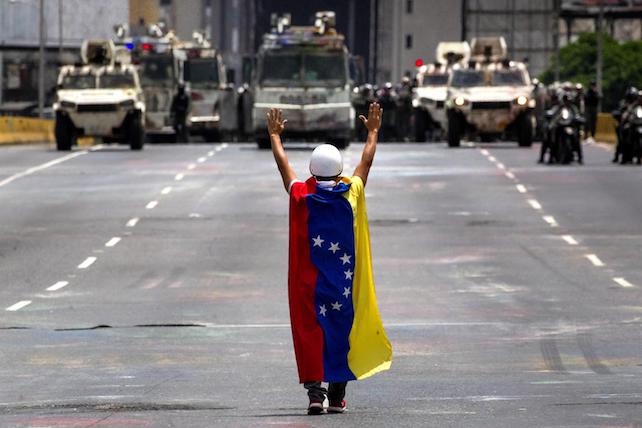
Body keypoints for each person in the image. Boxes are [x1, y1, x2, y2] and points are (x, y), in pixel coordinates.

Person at [267, 104, 393, 415]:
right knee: (340, 330)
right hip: (343, 286)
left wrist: (275, 137)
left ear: (312, 171)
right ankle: (336, 395)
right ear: (339, 172)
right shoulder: (350, 194)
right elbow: (366, 162)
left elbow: (285, 169)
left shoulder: (301, 197)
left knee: (310, 330)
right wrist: (373, 131)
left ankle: (315, 394)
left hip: (309, 287)